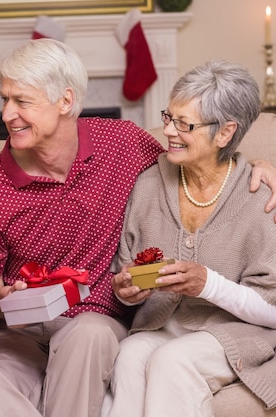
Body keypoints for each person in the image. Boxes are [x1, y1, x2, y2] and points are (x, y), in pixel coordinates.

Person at [0, 38, 276, 417]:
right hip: (18, 327)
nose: (7, 114)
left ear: (65, 101)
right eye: (4, 99)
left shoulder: (121, 144)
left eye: (22, 101)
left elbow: (198, 160)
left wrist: (260, 165)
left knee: (89, 337)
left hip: (91, 318)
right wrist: (4, 295)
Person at [105, 61, 276, 417]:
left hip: (238, 334)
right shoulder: (149, 183)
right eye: (169, 116)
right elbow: (124, 269)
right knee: (130, 356)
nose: (168, 130)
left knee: (172, 361)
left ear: (226, 133)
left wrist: (207, 284)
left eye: (185, 124)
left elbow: (272, 310)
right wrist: (126, 289)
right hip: (161, 326)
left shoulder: (260, 196)